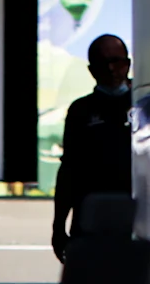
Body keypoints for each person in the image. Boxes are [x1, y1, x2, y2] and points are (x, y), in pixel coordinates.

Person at [49, 32, 133, 257]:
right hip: (91, 219)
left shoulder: (145, 105)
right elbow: (68, 171)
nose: (111, 69)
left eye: (117, 62)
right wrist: (58, 225)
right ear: (91, 70)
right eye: (103, 64)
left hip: (137, 219)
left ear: (127, 64)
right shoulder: (80, 111)